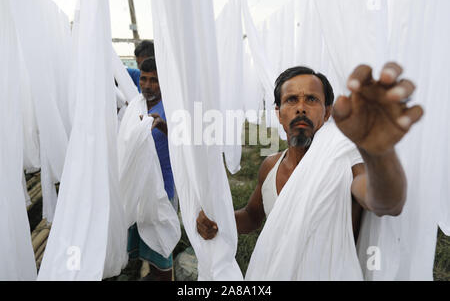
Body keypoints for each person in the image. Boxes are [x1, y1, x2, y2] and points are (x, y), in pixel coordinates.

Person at [196, 62, 424, 279]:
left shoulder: (346, 160)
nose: (301, 108)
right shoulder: (271, 165)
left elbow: (386, 203)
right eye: (291, 99)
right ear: (279, 113)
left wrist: (380, 153)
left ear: (327, 113)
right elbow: (252, 216)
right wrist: (219, 221)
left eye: (312, 99)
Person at [127, 57, 177, 281]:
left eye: (154, 80)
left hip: (162, 187)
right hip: (137, 185)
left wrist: (163, 126)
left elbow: (185, 145)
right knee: (142, 232)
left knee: (160, 240)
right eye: (144, 79)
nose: (146, 85)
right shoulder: (135, 104)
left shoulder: (171, 108)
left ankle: (164, 276)